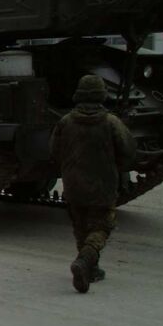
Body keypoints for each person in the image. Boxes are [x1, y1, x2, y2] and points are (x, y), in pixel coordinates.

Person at [50, 74, 135, 293]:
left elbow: (53, 151)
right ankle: (85, 261)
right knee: (102, 226)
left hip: (73, 183)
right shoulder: (111, 122)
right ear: (101, 95)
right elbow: (127, 152)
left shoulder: (65, 121)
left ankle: (90, 268)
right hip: (102, 183)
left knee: (80, 225)